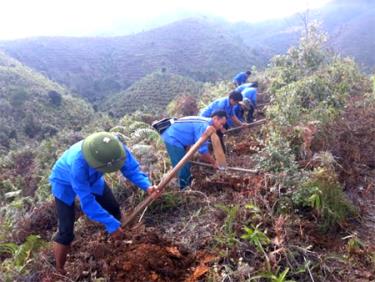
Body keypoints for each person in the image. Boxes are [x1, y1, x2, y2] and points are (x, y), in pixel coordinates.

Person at [49, 132, 158, 274]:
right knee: (66, 231)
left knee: (113, 208)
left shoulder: (115, 147)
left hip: (93, 178)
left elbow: (130, 169)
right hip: (64, 182)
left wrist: (147, 186)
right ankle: (59, 269)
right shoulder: (78, 163)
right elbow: (87, 202)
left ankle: (126, 239)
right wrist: (110, 224)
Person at [161, 111, 227, 189]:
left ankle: (183, 183)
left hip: (177, 136)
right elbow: (202, 150)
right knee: (182, 166)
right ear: (215, 118)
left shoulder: (206, 123)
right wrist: (214, 163)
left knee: (185, 163)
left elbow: (192, 136)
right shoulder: (204, 126)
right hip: (172, 138)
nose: (221, 127)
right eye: (221, 124)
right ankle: (184, 189)